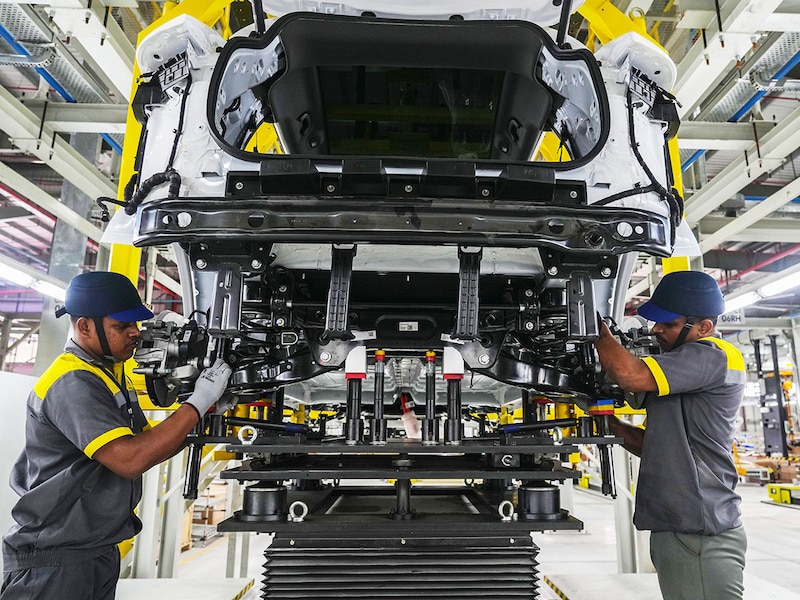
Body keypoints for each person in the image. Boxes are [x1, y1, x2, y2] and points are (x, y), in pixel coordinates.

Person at [1, 271, 231, 600]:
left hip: (93, 553)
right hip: (54, 561)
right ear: (84, 327)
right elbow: (130, 459)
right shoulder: (72, 381)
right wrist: (196, 404)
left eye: (135, 323)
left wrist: (205, 409)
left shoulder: (109, 373)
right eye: (122, 326)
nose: (135, 332)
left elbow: (149, 448)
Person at [594, 270, 746, 600]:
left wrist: (594, 328)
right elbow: (659, 446)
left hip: (700, 534)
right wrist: (612, 427)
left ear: (703, 327)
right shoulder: (681, 371)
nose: (655, 330)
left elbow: (630, 375)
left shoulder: (713, 355)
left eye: (668, 323)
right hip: (682, 529)